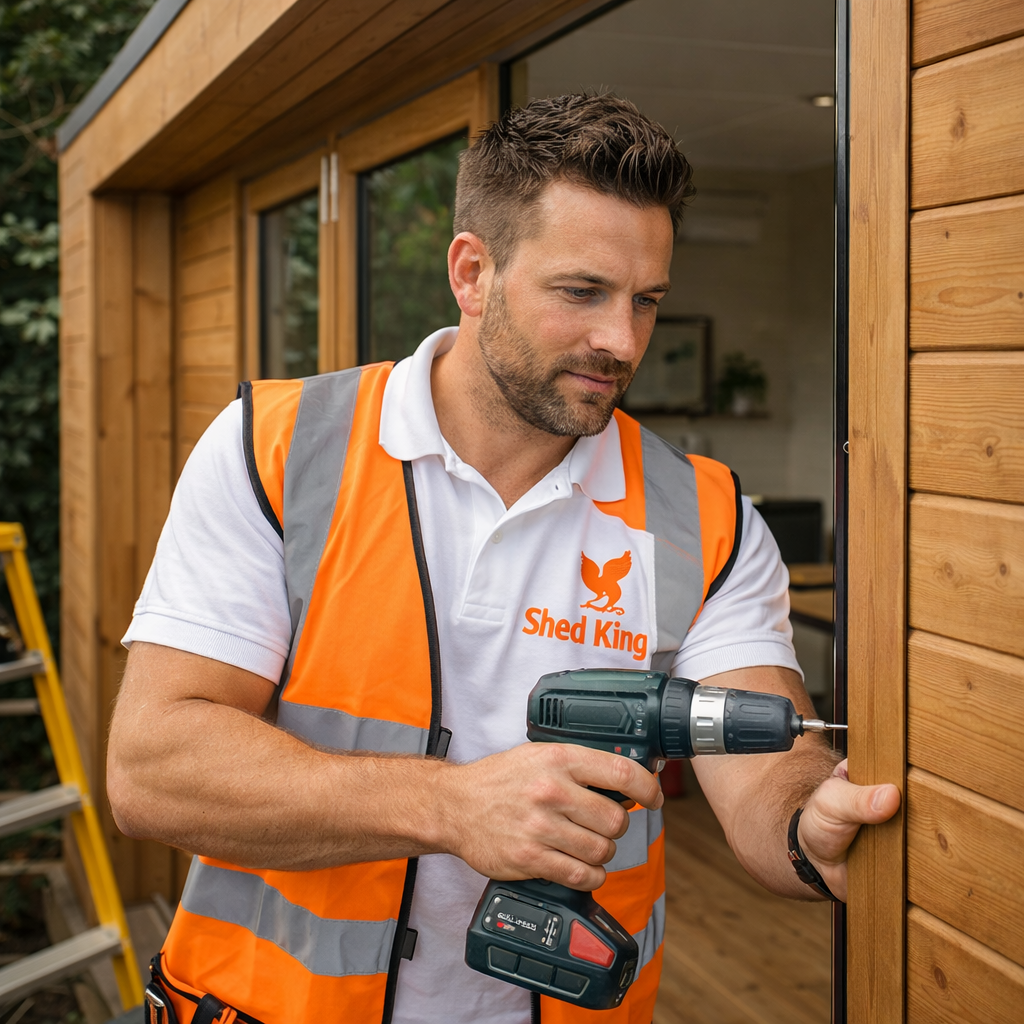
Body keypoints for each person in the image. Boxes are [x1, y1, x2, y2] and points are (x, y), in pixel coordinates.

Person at [107, 94, 900, 1024]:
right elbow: (152, 768)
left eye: (646, 301)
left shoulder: (706, 517)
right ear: (472, 271)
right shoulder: (279, 450)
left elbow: (768, 775)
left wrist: (814, 827)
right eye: (583, 292)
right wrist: (451, 806)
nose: (622, 340)